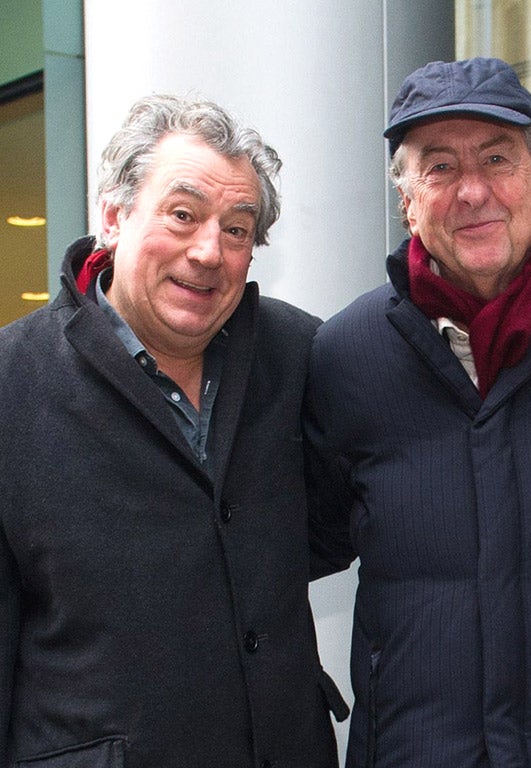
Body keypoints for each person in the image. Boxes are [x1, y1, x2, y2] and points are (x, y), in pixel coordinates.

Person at [303, 57, 531, 767]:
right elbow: (293, 539)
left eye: (498, 160)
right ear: (408, 202)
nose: (473, 191)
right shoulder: (347, 354)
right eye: (440, 168)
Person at [0, 95, 345, 767]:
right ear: (113, 215)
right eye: (182, 215)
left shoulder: (302, 354)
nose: (208, 251)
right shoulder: (13, 384)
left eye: (238, 229)